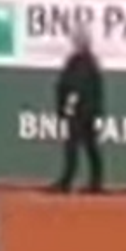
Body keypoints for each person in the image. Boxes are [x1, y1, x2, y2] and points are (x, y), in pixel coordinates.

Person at [49, 27, 103, 194]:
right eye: (77, 40)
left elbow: (95, 90)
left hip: (86, 112)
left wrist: (96, 112)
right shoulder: (72, 61)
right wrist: (62, 106)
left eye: (82, 40)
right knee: (72, 147)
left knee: (90, 147)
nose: (79, 43)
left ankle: (95, 183)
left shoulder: (91, 62)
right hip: (75, 112)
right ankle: (67, 181)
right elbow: (63, 85)